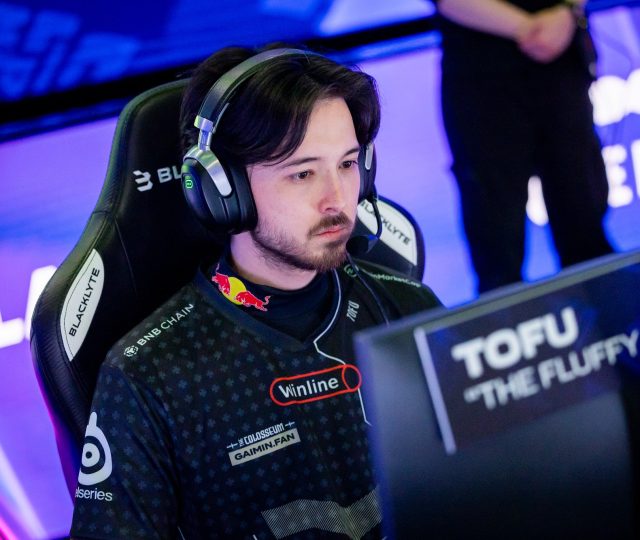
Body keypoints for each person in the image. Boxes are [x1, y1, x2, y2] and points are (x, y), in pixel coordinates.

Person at [70, 45, 441, 539]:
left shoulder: (412, 309)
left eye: (348, 164)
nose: (337, 199)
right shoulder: (148, 375)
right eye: (302, 173)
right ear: (223, 189)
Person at [435, 0, 614, 293]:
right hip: (481, 75)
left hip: (562, 64)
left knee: (586, 228)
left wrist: (567, 9)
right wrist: (526, 28)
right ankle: (504, 319)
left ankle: (605, 314)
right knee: (498, 250)